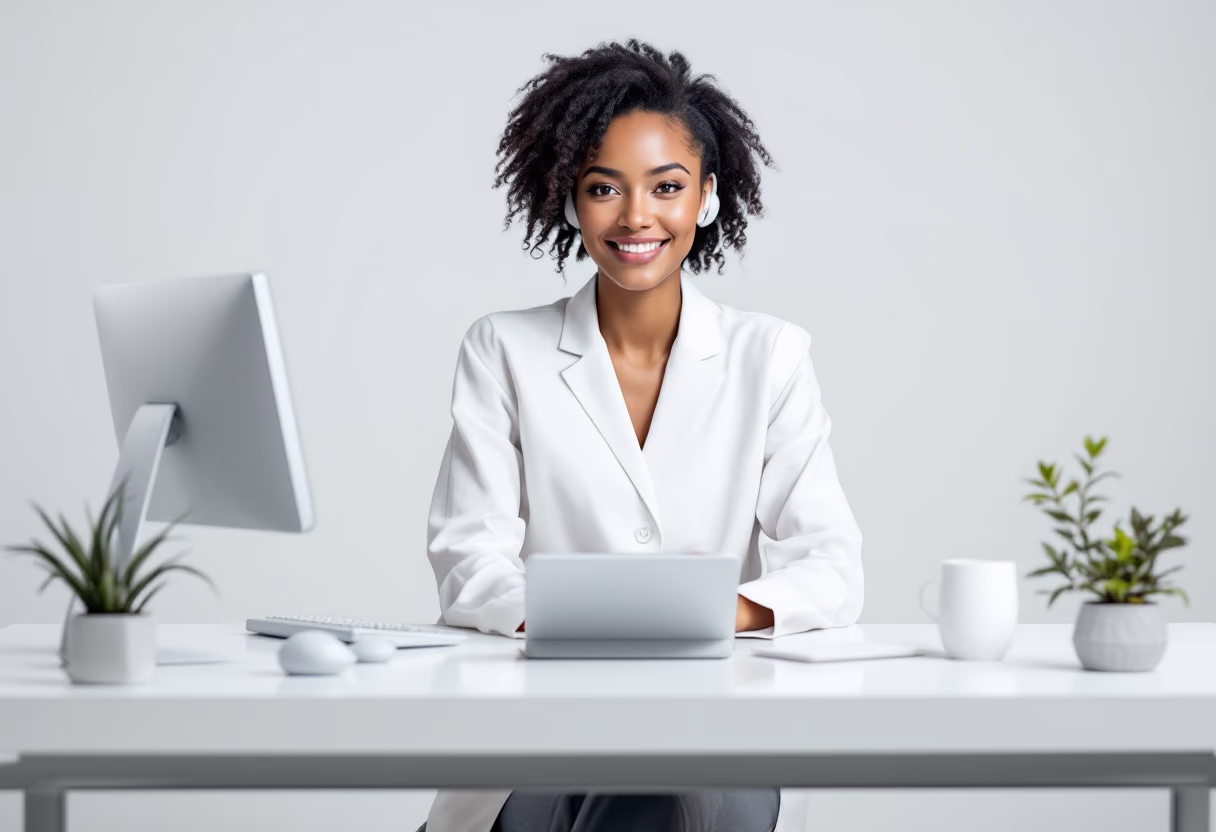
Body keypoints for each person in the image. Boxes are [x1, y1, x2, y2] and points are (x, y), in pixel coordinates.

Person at [424, 39, 864, 832]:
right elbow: (468, 559)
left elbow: (830, 566)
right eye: (603, 188)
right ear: (567, 200)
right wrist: (582, 622)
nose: (636, 218)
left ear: (706, 198)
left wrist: (701, 616)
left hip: (718, 734)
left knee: (661, 786)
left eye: (667, 187)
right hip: (544, 735)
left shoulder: (771, 355)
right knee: (633, 791)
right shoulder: (502, 349)